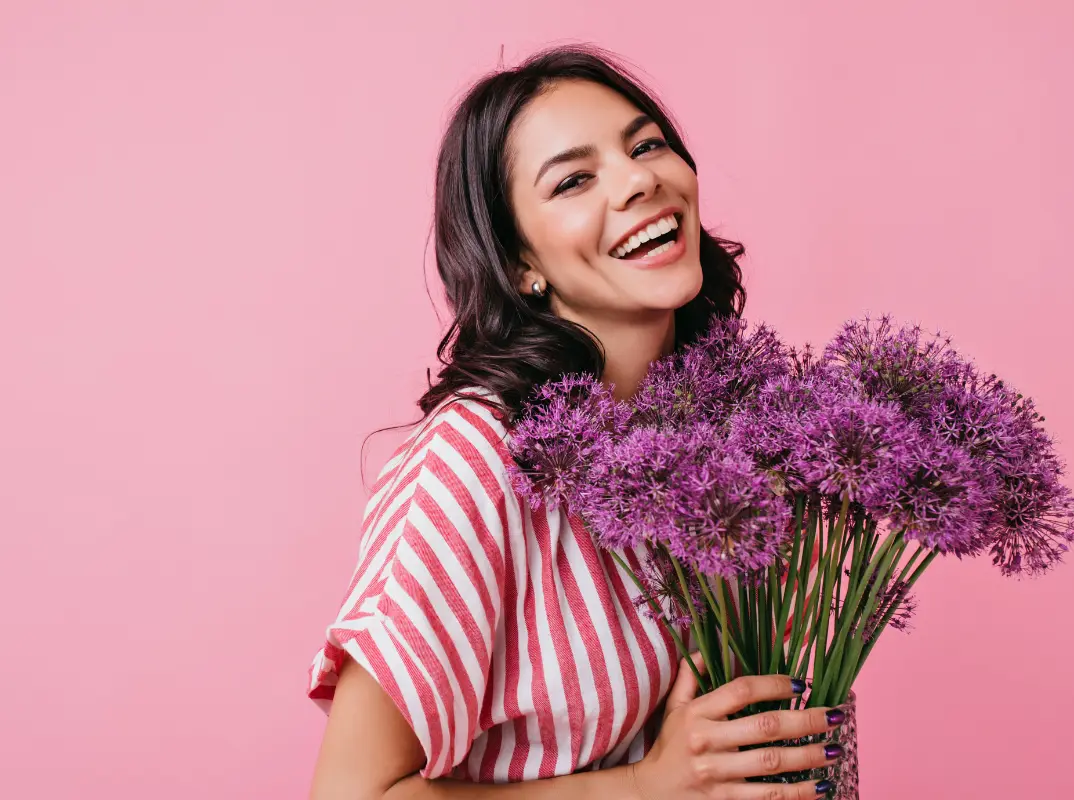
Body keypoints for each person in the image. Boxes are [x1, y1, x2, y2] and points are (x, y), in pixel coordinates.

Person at [307, 43, 846, 799]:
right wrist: (646, 788)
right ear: (520, 261)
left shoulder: (720, 426)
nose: (639, 180)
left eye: (647, 144)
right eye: (574, 180)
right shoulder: (480, 456)